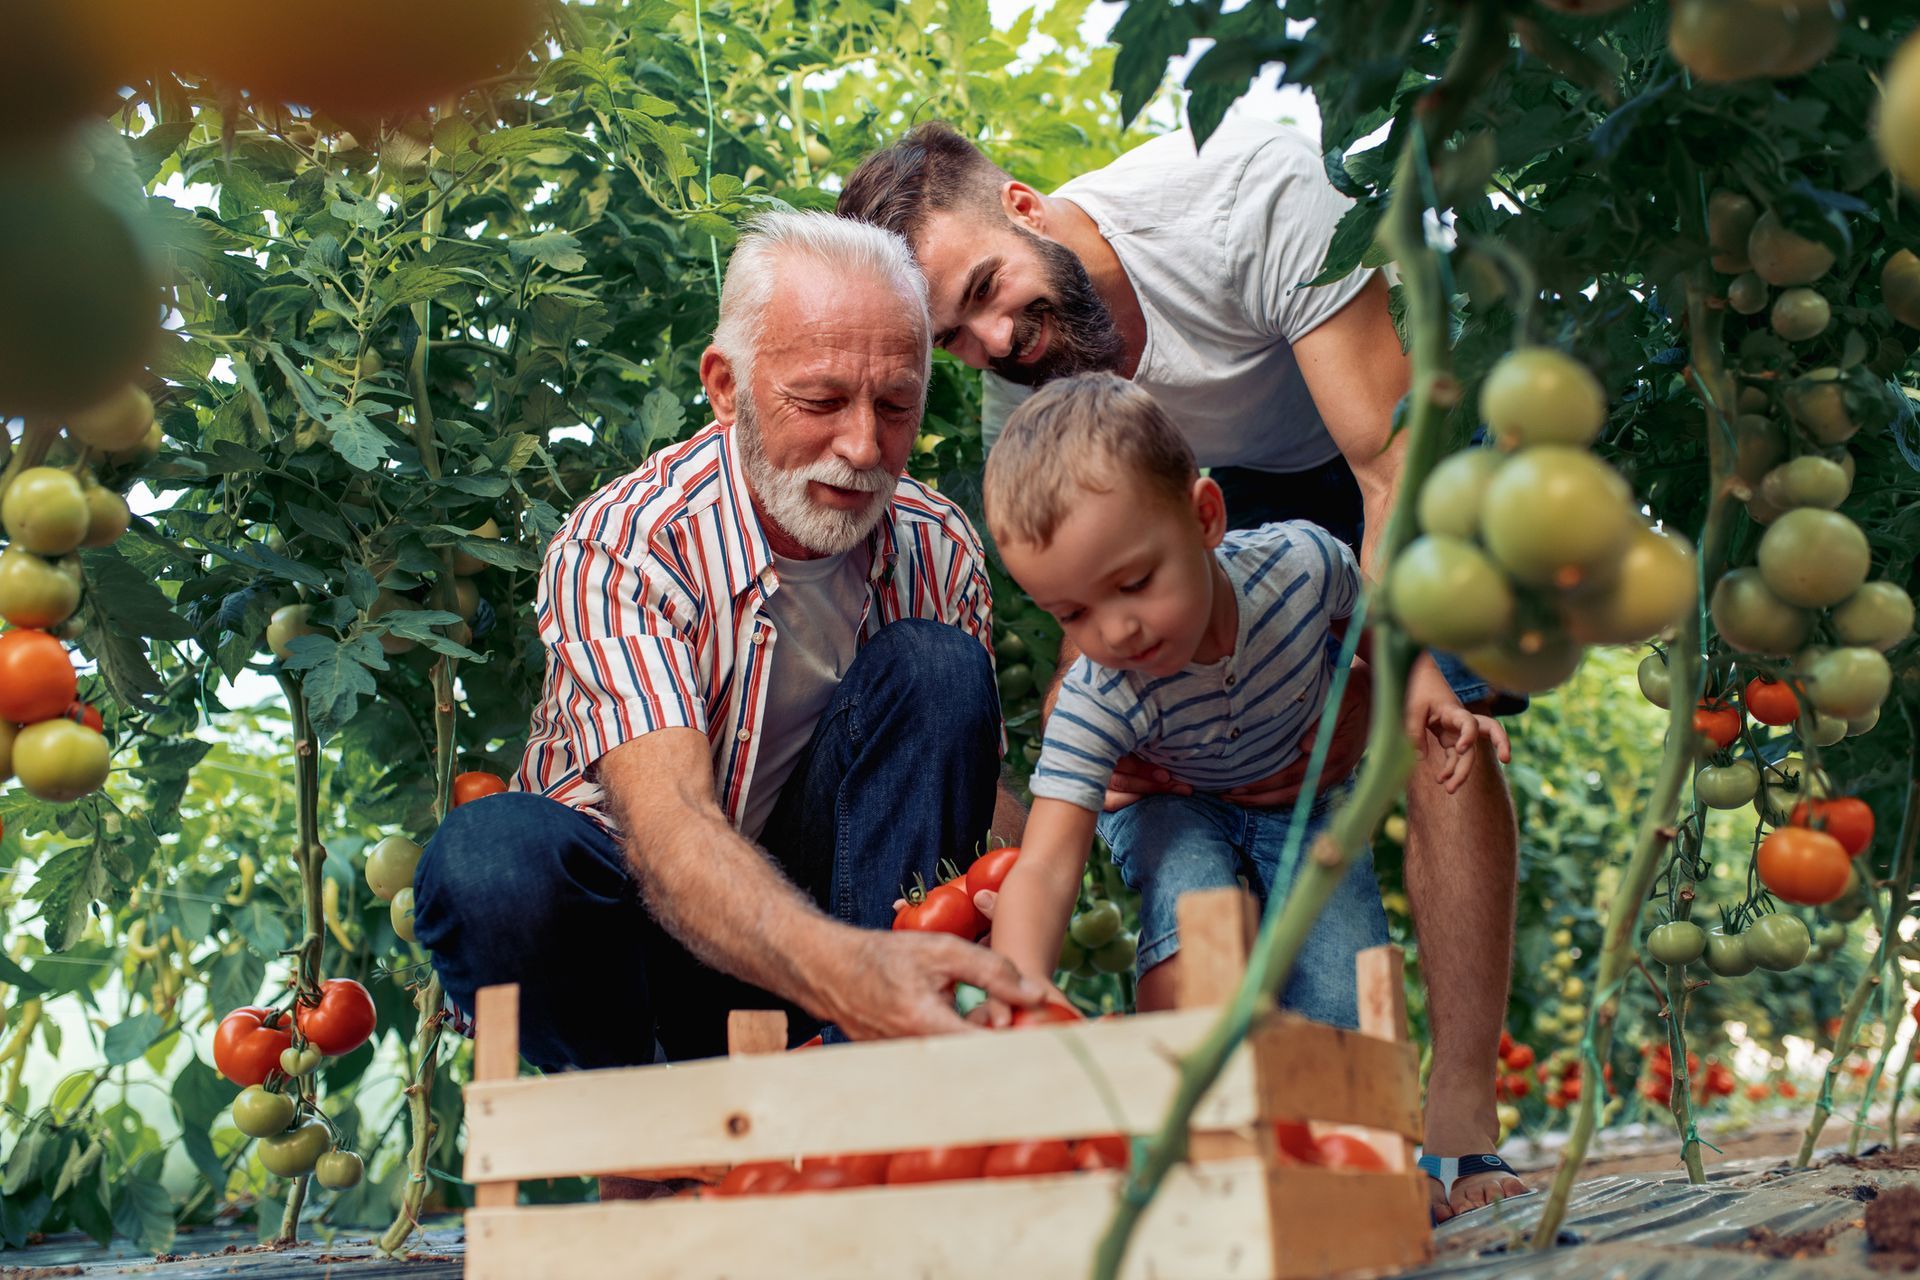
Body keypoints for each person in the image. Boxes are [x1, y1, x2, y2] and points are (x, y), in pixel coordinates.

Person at [839, 116, 1526, 1218]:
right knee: (1162, 742)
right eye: (955, 340)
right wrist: (1078, 784)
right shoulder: (1033, 373)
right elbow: (1087, 604)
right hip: (1199, 494)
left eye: (985, 291)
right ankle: (1271, 1139)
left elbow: (1387, 474)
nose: (996, 341)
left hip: (1379, 435)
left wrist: (1401, 685)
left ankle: (1462, 1122)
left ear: (1022, 204)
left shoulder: (1248, 196)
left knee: (1445, 720)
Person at [413, 211, 1043, 1094]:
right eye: (820, 402)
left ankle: (873, 1097)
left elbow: (959, 809)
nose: (864, 446)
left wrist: (1074, 819)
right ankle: (641, 1132)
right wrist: (852, 969)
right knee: (489, 862)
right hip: (641, 953)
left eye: (897, 405)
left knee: (938, 668)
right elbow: (670, 834)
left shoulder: (935, 543)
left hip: (840, 944)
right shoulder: (628, 543)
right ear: (724, 385)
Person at [979, 372, 1491, 1030]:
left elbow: (1376, 627)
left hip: (1298, 802)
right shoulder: (1096, 697)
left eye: (1135, 582)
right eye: (1073, 613)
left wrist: (1429, 692)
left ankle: (1346, 1128)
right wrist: (1018, 988)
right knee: (1194, 916)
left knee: (1344, 993)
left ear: (1205, 518)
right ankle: (1186, 1098)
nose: (1115, 630)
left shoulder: (1301, 566)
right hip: (1173, 805)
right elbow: (1047, 868)